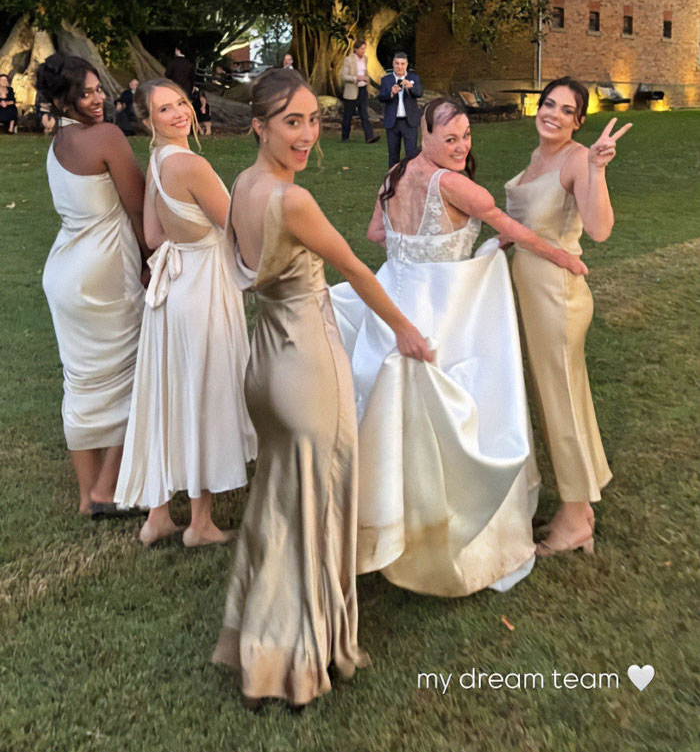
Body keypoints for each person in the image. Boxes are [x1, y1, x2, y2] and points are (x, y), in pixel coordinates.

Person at [212, 68, 433, 707]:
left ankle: (261, 649)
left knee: (279, 507)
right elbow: (357, 267)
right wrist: (405, 331)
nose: (308, 135)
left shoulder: (244, 184)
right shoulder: (291, 200)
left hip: (267, 367)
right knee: (313, 510)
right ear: (258, 125)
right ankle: (297, 663)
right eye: (292, 123)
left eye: (313, 120)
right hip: (308, 366)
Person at [330, 96, 588, 596]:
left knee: (387, 410)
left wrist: (416, 243)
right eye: (450, 138)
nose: (462, 146)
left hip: (394, 296)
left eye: (467, 136)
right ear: (423, 136)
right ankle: (449, 529)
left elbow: (375, 232)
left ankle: (381, 519)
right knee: (454, 414)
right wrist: (561, 256)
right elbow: (511, 228)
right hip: (441, 310)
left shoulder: (394, 175)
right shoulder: (455, 185)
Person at [114, 78, 256, 546]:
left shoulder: (155, 162)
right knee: (203, 391)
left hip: (172, 289)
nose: (178, 114)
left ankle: (158, 515)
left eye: (180, 104)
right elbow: (233, 224)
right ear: (148, 120)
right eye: (164, 109)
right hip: (200, 286)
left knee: (169, 393)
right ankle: (200, 522)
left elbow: (154, 237)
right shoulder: (189, 163)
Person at [505, 76, 631, 556]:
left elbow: (598, 230)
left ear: (579, 121)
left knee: (563, 406)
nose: (552, 114)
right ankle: (577, 501)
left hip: (558, 298)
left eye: (565, 110)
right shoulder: (539, 157)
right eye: (547, 103)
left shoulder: (578, 159)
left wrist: (596, 170)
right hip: (533, 295)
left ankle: (577, 518)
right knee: (553, 400)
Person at [36, 53, 148, 517]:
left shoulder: (58, 141)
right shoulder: (106, 137)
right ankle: (105, 488)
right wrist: (151, 260)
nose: (99, 97)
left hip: (63, 272)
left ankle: (89, 498)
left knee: (80, 382)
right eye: (86, 93)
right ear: (63, 99)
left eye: (98, 87)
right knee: (137, 371)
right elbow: (139, 208)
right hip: (105, 272)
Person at [378, 52, 422, 167]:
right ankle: (393, 180)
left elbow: (420, 93)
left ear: (406, 64)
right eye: (397, 63)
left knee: (411, 154)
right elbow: (381, 97)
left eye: (402, 64)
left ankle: (411, 179)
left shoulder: (413, 78)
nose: (399, 66)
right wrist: (391, 93)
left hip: (409, 122)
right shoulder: (386, 80)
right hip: (392, 123)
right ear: (393, 64)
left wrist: (411, 87)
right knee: (393, 155)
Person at [341, 40, 379, 144]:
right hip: (352, 91)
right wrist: (356, 78)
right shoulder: (348, 60)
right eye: (362, 49)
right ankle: (345, 137)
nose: (364, 51)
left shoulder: (365, 59)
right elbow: (344, 76)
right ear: (356, 49)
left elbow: (366, 72)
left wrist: (366, 79)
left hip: (362, 90)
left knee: (364, 115)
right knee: (347, 116)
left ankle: (369, 137)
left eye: (364, 48)